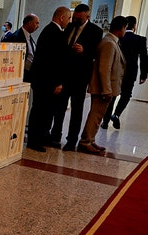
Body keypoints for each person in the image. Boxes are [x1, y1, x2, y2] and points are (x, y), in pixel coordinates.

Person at [52, 4, 103, 151]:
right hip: (64, 75)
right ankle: (56, 135)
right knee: (60, 108)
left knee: (76, 110)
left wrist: (84, 51)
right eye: (74, 17)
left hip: (80, 77)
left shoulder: (95, 31)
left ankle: (71, 140)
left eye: (79, 18)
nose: (75, 20)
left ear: (87, 16)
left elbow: (95, 54)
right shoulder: (69, 27)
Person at [78, 16, 127, 154]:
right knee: (95, 115)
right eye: (125, 28)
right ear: (122, 28)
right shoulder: (109, 43)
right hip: (102, 88)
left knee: (98, 116)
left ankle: (90, 140)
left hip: (105, 88)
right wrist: (106, 89)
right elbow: (104, 68)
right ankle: (85, 141)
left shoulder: (111, 41)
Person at [26, 7, 72, 152]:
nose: (69, 21)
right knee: (41, 111)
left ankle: (42, 137)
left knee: (45, 111)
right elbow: (51, 61)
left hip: (43, 80)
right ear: (62, 18)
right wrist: (57, 83)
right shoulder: (53, 32)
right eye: (68, 18)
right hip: (45, 81)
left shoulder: (51, 31)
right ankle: (34, 140)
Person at [102, 15, 148, 129]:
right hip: (131, 72)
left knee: (112, 95)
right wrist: (143, 75)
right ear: (135, 26)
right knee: (126, 95)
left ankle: (105, 121)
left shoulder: (118, 37)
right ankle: (116, 114)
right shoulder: (140, 39)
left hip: (116, 71)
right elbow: (144, 58)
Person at [3, 13, 40, 83]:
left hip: (30, 74)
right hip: (21, 75)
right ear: (30, 23)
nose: (38, 26)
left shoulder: (29, 37)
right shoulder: (16, 37)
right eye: (36, 23)